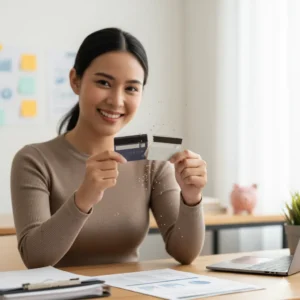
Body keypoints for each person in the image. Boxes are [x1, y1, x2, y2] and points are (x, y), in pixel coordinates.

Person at [10, 28, 207, 269]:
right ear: (75, 80)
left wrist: (191, 197)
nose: (116, 100)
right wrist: (83, 199)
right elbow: (34, 257)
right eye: (104, 82)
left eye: (131, 88)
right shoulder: (33, 161)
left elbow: (184, 253)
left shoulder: (152, 163)